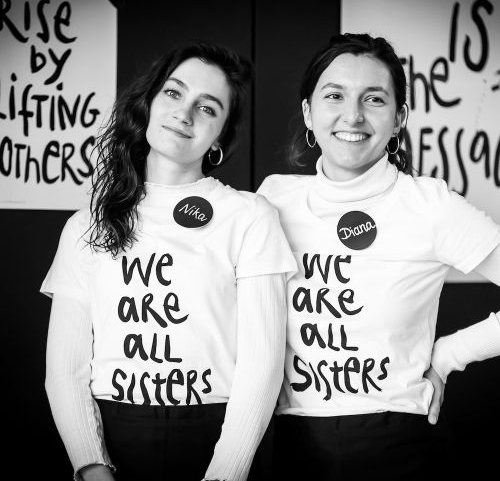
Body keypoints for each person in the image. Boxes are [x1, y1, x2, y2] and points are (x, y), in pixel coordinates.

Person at [42, 41, 297, 481]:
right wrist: (92, 466)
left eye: (208, 108)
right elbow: (65, 369)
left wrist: (226, 473)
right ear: (150, 102)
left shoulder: (250, 216)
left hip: (216, 437)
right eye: (174, 93)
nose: (185, 113)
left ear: (221, 135)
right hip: (112, 436)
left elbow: (262, 366)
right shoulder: (86, 225)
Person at [257, 32, 500, 480]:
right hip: (291, 446)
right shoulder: (272, 200)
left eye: (373, 99)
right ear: (308, 112)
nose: (353, 115)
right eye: (335, 96)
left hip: (399, 447)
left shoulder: (430, 204)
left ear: (399, 117)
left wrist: (449, 354)